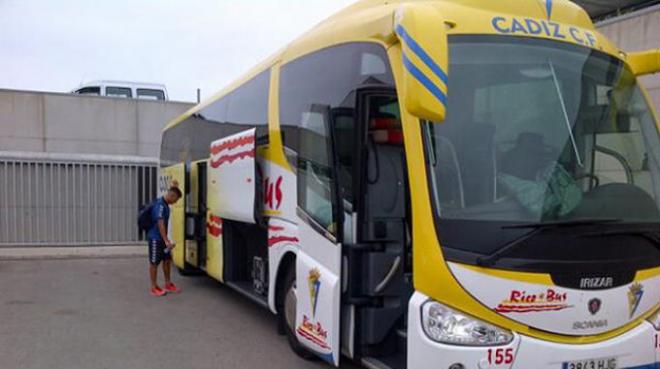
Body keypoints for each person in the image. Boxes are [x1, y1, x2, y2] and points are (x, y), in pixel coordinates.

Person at [147, 184, 183, 297]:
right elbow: (160, 224)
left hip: (163, 240)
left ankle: (168, 283)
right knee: (154, 263)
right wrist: (167, 241)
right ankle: (153, 287)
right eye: (176, 200)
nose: (175, 202)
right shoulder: (160, 205)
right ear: (171, 196)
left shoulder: (166, 204)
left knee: (167, 260)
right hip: (155, 239)